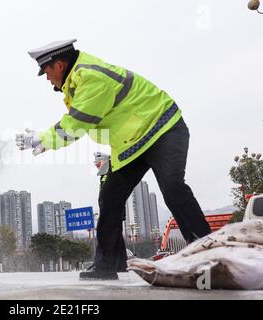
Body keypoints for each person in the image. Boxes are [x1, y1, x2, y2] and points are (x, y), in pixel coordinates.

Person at [16, 39, 211, 280]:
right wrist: (46, 143)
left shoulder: (90, 77)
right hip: (132, 143)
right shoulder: (78, 79)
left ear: (58, 64)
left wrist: (42, 137)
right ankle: (108, 264)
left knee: (172, 187)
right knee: (110, 197)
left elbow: (77, 123)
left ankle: (205, 253)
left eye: (46, 71)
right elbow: (84, 122)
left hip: (163, 129)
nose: (47, 79)